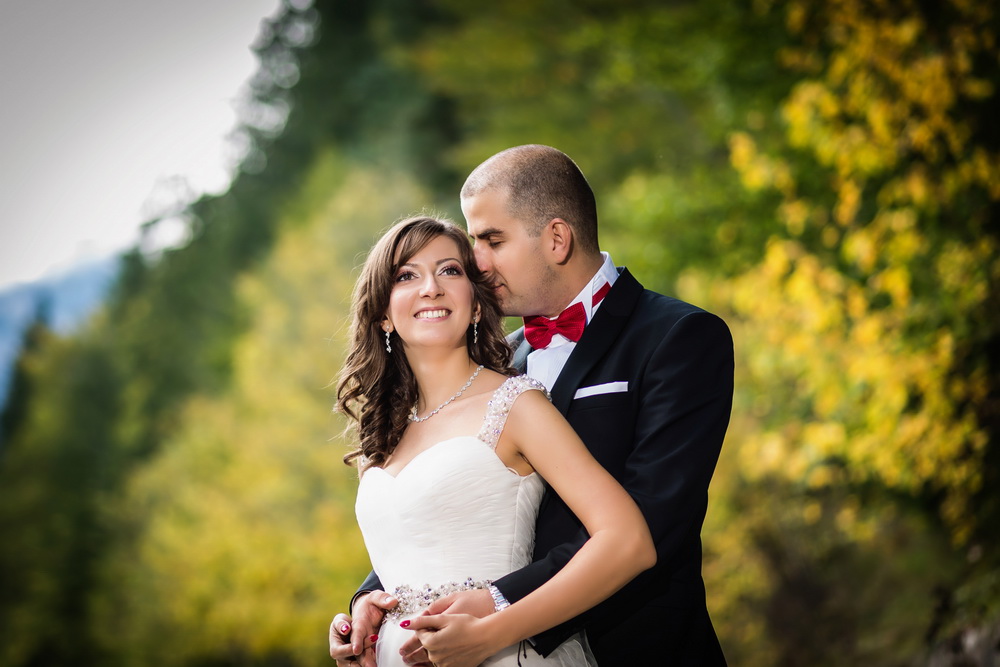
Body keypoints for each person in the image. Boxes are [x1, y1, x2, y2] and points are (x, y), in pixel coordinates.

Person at [331, 145, 734, 665]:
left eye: (491, 240)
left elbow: (655, 522)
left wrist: (499, 607)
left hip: (635, 646)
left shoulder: (678, 338)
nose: (476, 261)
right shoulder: (497, 361)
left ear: (557, 238)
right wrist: (375, 600)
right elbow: (454, 508)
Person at [335, 215, 656, 667]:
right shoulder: (385, 431)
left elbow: (628, 541)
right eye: (407, 275)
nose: (430, 287)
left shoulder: (516, 404)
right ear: (384, 314)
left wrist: (490, 635)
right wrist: (364, 611)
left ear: (478, 303)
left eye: (450, 270)